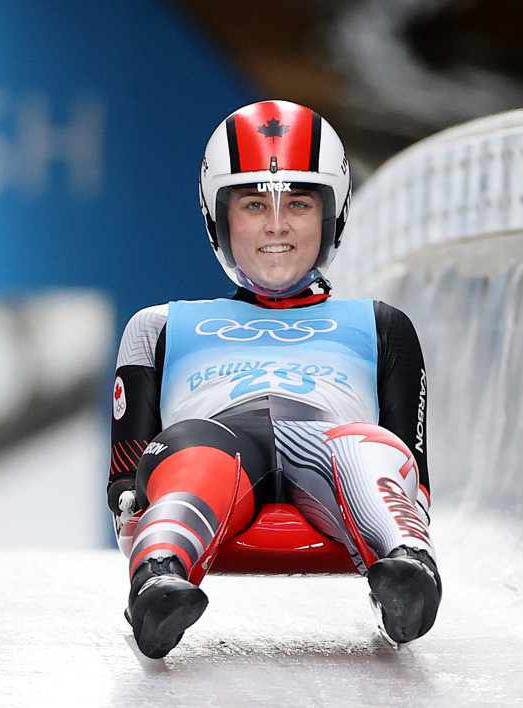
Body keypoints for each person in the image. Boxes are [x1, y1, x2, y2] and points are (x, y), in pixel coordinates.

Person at [107, 100, 440, 659]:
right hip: (215, 447)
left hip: (333, 450)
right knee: (193, 450)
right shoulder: (158, 326)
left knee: (366, 446)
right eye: (255, 203)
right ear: (219, 217)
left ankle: (407, 567)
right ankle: (160, 579)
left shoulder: (382, 325)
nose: (277, 224)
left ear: (333, 216)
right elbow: (124, 487)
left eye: (300, 204)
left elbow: (414, 473)